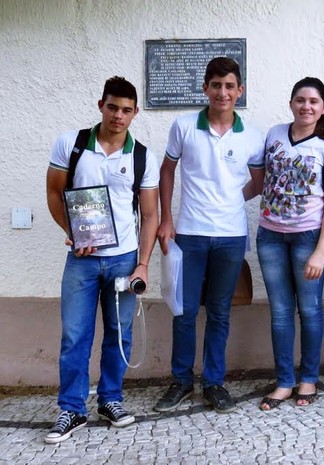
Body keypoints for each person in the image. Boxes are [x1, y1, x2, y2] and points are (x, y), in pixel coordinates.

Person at [45, 76, 160, 443]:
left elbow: (151, 216)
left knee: (119, 335)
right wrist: (73, 233)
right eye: (113, 107)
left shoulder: (142, 156)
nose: (119, 116)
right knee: (74, 335)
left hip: (124, 259)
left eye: (127, 110)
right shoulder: (73, 144)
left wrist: (143, 263)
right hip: (82, 260)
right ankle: (72, 409)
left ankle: (111, 400)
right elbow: (54, 193)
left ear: (135, 113)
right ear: (101, 105)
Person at [154, 57, 265, 414]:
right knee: (183, 312)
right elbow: (167, 170)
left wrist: (232, 199)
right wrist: (166, 219)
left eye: (230, 86)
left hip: (231, 236)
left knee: (219, 313)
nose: (222, 92)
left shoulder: (252, 135)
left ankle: (214, 383)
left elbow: (259, 181)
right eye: (216, 85)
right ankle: (181, 381)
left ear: (240, 91)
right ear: (205, 88)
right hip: (189, 232)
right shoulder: (184, 125)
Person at [256, 77, 324, 411]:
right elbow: (262, 180)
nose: (306, 106)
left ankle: (308, 377)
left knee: (309, 309)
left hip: (308, 237)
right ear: (291, 102)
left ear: (323, 108)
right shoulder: (275, 134)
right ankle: (283, 381)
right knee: (279, 312)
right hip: (270, 235)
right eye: (300, 100)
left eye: (313, 101)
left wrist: (321, 251)